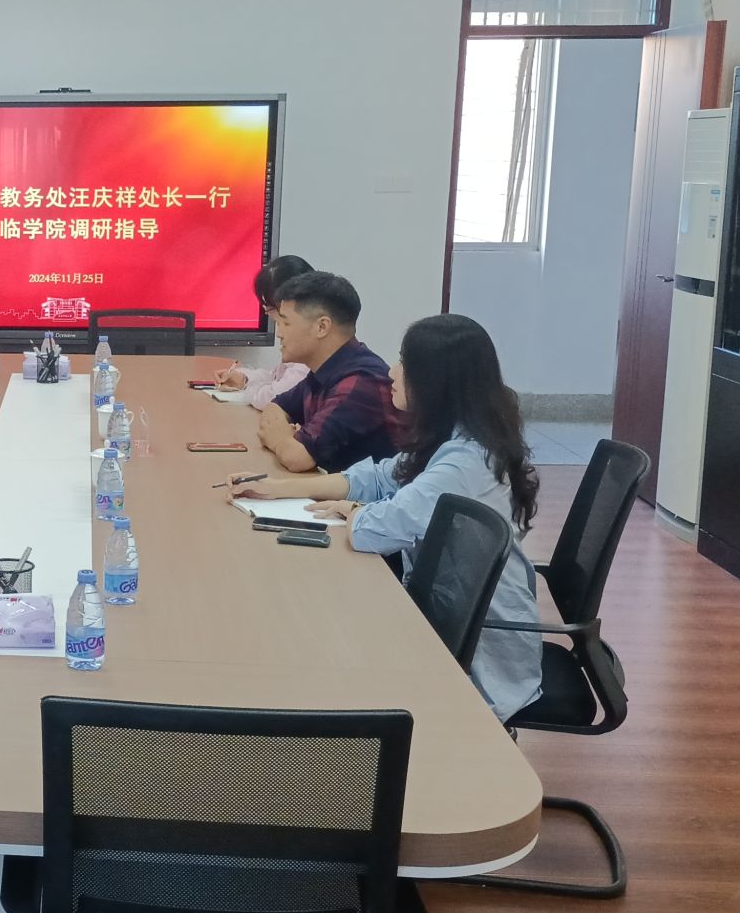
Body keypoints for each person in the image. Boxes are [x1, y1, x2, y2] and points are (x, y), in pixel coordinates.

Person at [232, 313, 543, 721]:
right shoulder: (451, 436)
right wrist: (278, 488)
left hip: (475, 652)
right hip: (441, 612)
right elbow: (377, 478)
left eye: (404, 363)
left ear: (434, 380)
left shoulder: (465, 461)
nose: (392, 373)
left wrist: (358, 512)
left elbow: (377, 530)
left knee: (322, 633)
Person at [254, 270, 399, 473]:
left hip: (360, 494)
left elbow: (297, 458)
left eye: (286, 323)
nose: (279, 334)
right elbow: (275, 406)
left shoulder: (361, 380)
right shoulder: (326, 369)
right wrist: (285, 439)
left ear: (322, 327)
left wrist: (280, 438)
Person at [211, 254, 315, 407]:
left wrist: (249, 392)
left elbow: (276, 397)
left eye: (270, 305)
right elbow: (277, 377)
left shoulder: (310, 347)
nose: (266, 311)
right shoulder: (300, 335)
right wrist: (244, 379)